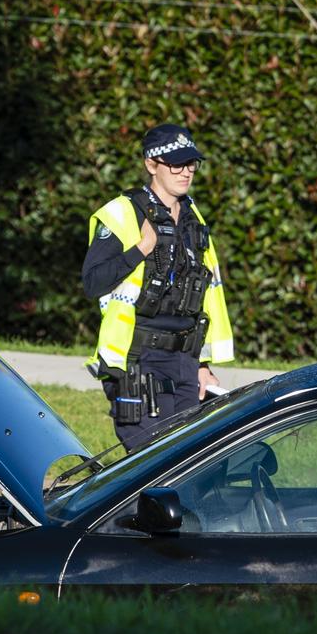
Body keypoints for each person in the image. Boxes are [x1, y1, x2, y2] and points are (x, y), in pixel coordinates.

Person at [81, 123, 234, 450]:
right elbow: (93, 283)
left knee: (190, 465)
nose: (186, 172)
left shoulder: (195, 218)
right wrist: (141, 249)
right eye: (176, 164)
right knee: (152, 468)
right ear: (151, 164)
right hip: (139, 361)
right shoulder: (123, 213)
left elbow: (205, 294)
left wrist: (203, 365)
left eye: (191, 163)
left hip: (186, 363)